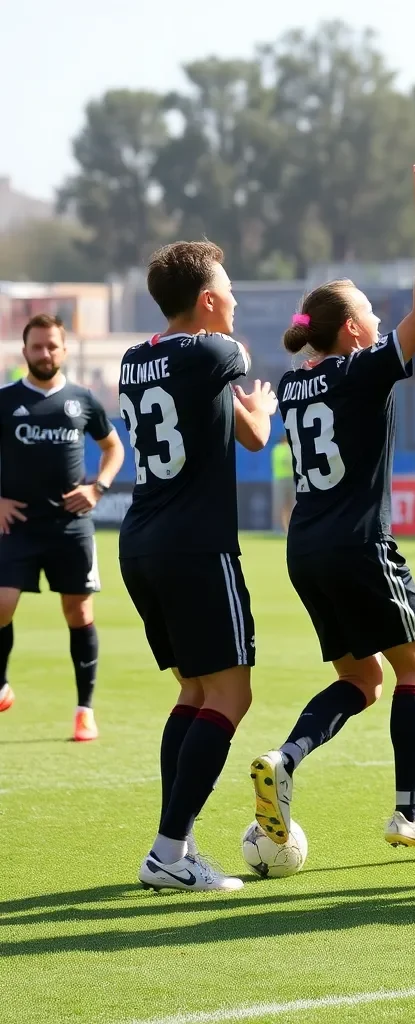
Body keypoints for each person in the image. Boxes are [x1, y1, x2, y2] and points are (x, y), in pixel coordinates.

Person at [250, 146, 415, 857]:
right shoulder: (364, 370)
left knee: (362, 681)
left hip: (304, 546)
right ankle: (409, 811)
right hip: (360, 545)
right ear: (355, 330)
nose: (379, 316)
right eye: (369, 310)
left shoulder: (295, 378)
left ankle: (284, 760)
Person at [119, 240, 278, 892]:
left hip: (142, 541)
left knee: (194, 692)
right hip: (195, 545)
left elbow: (249, 435)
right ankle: (168, 852)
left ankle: (171, 846)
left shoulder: (137, 359)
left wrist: (256, 416)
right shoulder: (218, 352)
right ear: (209, 300)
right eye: (229, 289)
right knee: (232, 695)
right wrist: (261, 406)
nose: (236, 299)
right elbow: (252, 412)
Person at [0, 313, 125, 740]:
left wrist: (98, 488)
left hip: (71, 526)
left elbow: (113, 448)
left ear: (64, 350)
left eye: (52, 346)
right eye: (37, 346)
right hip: (16, 523)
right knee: (2, 603)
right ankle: (1, 684)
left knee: (79, 612)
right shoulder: (6, 400)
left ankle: (84, 709)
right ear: (25, 351)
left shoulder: (83, 400)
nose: (45, 353)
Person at [271, 434, 296, 533]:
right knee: (282, 505)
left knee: (289, 506)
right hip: (282, 479)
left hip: (289, 479)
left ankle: (288, 528)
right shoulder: (279, 449)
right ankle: (281, 528)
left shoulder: (289, 448)